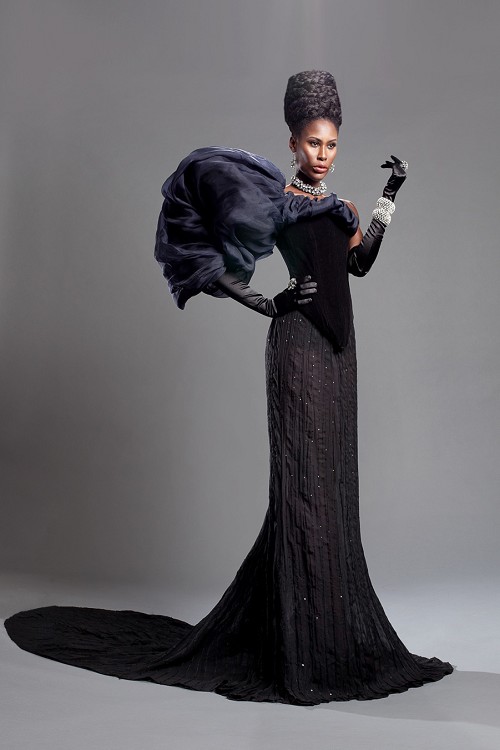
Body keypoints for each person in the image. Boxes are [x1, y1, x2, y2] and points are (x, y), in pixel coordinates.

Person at [4, 70, 454, 705]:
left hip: (341, 357)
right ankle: (299, 648)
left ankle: (328, 639)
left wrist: (391, 191)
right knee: (302, 493)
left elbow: (360, 262)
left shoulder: (343, 207)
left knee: (331, 492)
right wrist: (266, 302)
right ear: (293, 142)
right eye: (313, 143)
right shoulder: (277, 203)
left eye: (332, 144)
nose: (323, 154)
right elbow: (201, 248)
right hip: (298, 351)